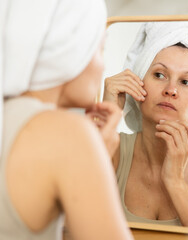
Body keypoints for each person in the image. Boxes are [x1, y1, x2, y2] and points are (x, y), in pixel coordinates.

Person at [0, 0, 133, 239]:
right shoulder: (71, 134)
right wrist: (92, 163)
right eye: (100, 49)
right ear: (71, 50)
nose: (103, 67)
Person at [103, 21, 188, 227]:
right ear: (137, 82)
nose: (171, 89)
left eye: (186, 81)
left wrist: (175, 182)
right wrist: (108, 117)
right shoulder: (113, 150)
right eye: (159, 75)